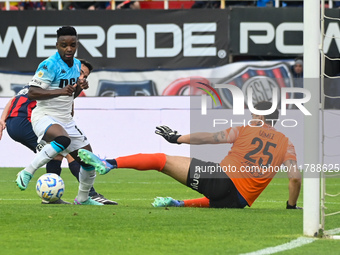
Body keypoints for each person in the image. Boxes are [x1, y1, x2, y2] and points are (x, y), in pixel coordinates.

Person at [78, 101, 302, 209]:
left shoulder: (246, 129)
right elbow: (294, 178)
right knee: (216, 196)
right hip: (237, 201)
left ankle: (109, 163)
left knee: (161, 160)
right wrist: (291, 206)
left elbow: (210, 137)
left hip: (221, 179)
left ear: (259, 116)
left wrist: (178, 138)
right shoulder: (287, 143)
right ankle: (178, 204)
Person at [14, 26, 109, 206]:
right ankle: (27, 171)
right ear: (57, 45)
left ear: (77, 45)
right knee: (62, 140)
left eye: (72, 45)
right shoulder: (49, 65)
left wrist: (80, 86)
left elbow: (70, 95)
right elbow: (32, 93)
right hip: (44, 116)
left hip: (66, 120)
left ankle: (83, 198)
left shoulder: (75, 66)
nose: (69, 49)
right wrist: (60, 91)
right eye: (64, 45)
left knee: (89, 161)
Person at [0, 60, 117, 205]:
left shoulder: (50, 80)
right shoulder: (58, 83)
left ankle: (51, 198)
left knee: (57, 154)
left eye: (85, 76)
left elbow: (15, 99)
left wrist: (3, 119)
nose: (82, 77)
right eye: (80, 72)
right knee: (69, 152)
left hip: (15, 122)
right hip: (25, 121)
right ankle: (90, 194)